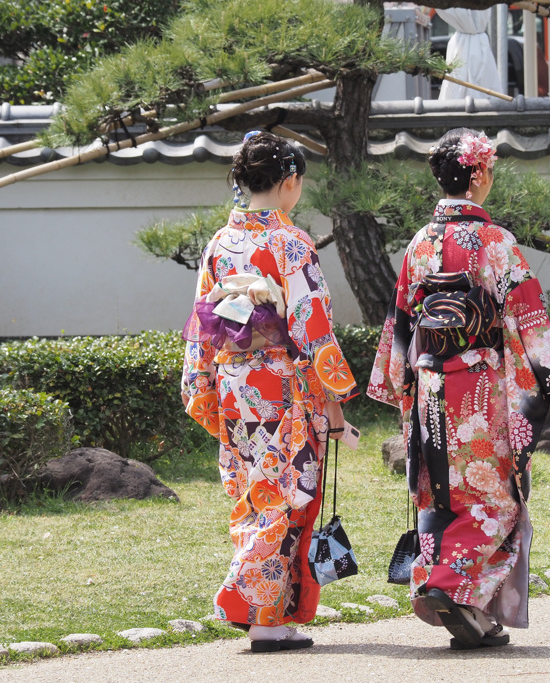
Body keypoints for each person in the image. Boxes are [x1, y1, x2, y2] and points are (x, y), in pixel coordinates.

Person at [367, 127, 550, 650]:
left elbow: (401, 322)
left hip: (432, 387)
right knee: (497, 498)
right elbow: (528, 312)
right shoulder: (494, 241)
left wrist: (399, 387)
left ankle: (474, 616)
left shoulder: (420, 243)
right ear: (478, 173)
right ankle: (448, 584)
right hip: (481, 390)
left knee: (443, 496)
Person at [181, 131, 358, 652]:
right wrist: (334, 408)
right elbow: (313, 327)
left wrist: (202, 385)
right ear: (288, 183)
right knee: (285, 495)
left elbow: (201, 326)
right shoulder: (291, 244)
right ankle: (249, 603)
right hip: (281, 385)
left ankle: (269, 617)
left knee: (252, 498)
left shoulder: (219, 243)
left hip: (235, 386)